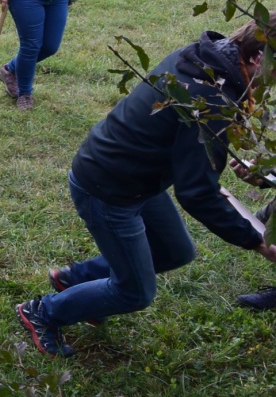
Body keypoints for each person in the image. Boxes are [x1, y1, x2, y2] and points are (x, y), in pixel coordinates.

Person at [15, 23, 276, 356]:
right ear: (258, 57)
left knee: (175, 251)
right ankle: (42, 312)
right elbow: (196, 192)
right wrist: (256, 241)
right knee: (135, 292)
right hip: (110, 189)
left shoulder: (207, 60)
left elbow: (190, 162)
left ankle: (76, 279)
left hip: (137, 180)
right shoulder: (211, 94)